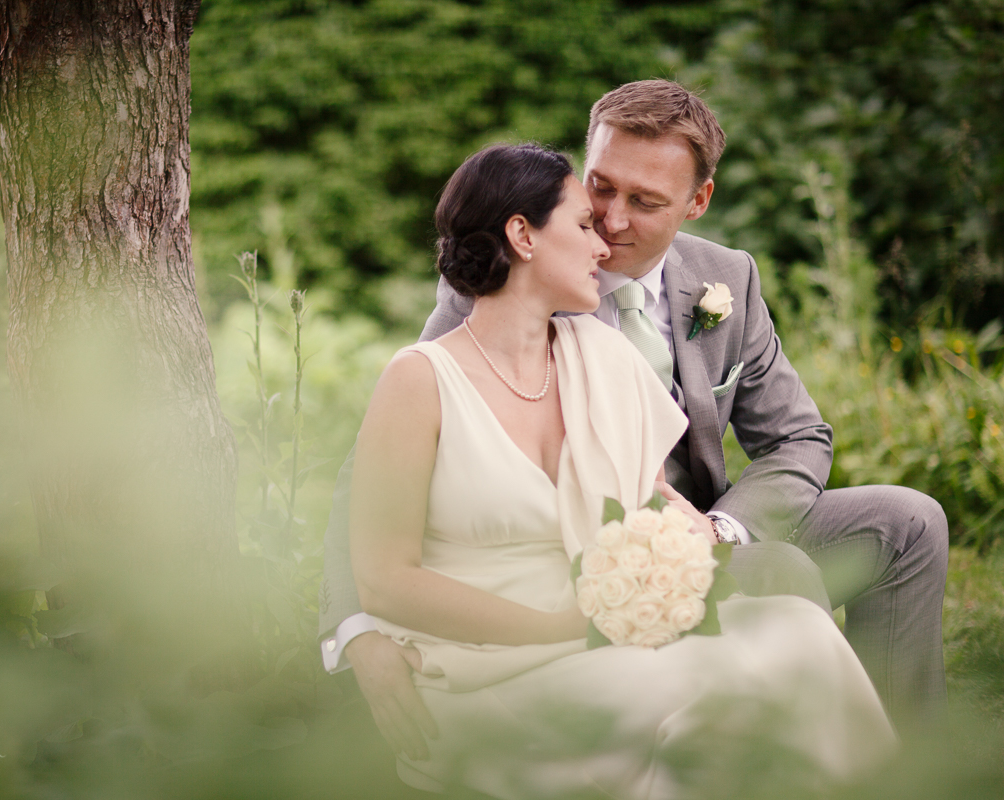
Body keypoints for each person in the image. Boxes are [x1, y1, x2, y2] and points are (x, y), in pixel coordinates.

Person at [319, 82, 948, 759]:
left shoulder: (724, 279)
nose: (612, 222)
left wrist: (719, 528)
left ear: (696, 201)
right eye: (600, 189)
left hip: (699, 519)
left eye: (645, 202)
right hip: (577, 553)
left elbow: (798, 438)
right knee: (780, 573)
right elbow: (382, 467)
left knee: (908, 522)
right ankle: (779, 758)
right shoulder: (507, 284)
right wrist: (359, 627)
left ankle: (913, 759)